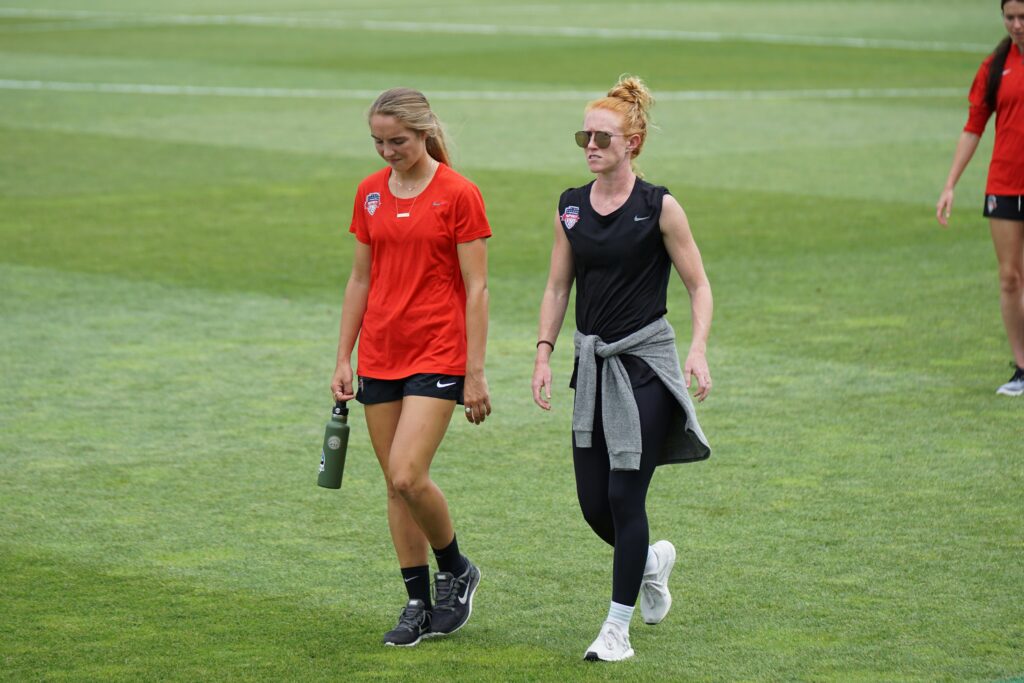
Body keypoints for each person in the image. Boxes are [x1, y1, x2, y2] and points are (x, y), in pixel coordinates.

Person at [531, 76, 713, 662]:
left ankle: (617, 630)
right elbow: (559, 285)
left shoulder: (659, 205)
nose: (591, 145)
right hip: (593, 366)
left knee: (625, 497)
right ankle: (652, 560)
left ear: (632, 142)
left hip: (644, 367)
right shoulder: (570, 204)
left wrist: (698, 348)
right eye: (585, 135)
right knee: (594, 504)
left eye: (603, 137)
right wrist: (544, 351)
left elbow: (698, 286)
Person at [332, 87, 492, 647]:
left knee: (406, 473)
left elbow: (477, 287)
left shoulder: (459, 194)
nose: (387, 151)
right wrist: (342, 356)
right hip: (380, 351)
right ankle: (417, 603)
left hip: (437, 351)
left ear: (425, 132)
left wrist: (475, 372)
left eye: (396, 140)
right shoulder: (369, 194)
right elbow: (360, 279)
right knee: (394, 489)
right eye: (377, 141)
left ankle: (457, 568)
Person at [937, 0, 1024, 396]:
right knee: (1009, 279)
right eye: (1010, 17)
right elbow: (974, 127)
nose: (1017, 25)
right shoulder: (994, 67)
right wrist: (951, 183)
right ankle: (1022, 368)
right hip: (1004, 184)